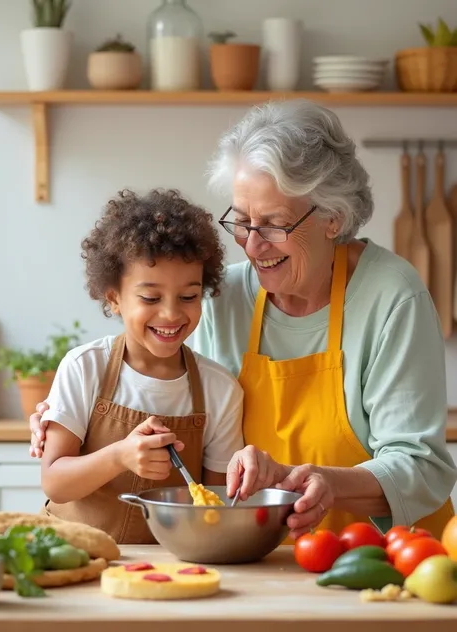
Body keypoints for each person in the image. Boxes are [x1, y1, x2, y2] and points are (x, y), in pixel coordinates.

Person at [30, 99, 456, 541]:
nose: (252, 247)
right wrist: (67, 418)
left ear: (334, 218)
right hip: (266, 555)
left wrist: (330, 483)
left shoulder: (392, 297)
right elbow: (166, 400)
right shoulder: (219, 297)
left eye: (274, 225)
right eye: (242, 221)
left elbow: (422, 466)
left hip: (386, 555)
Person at [34, 188, 244, 544]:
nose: (172, 313)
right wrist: (119, 456)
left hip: (164, 566)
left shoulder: (220, 390)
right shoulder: (84, 368)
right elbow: (55, 481)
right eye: (150, 297)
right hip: (71, 551)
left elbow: (215, 503)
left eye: (189, 297)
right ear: (114, 298)